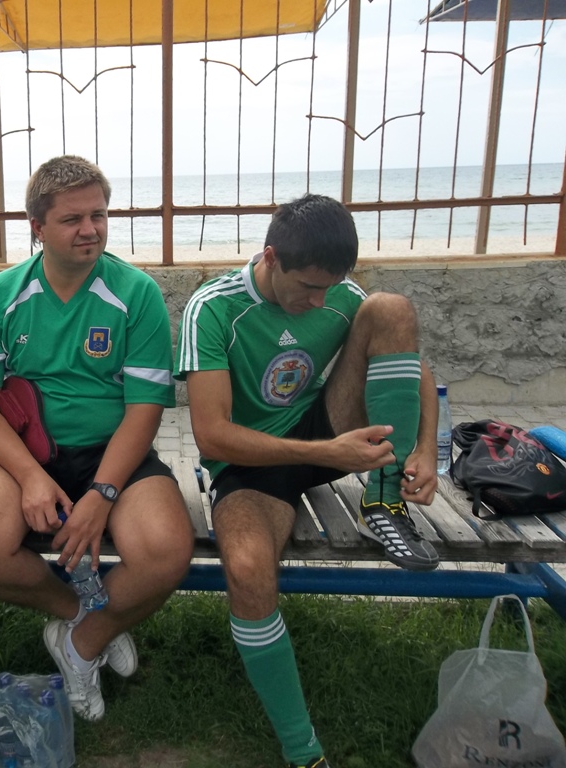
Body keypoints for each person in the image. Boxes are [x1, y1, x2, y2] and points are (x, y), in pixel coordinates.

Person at [174, 193, 439, 768]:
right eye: (308, 288)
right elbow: (212, 437)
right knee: (247, 570)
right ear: (271, 258)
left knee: (392, 309)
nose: (320, 301)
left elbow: (412, 364)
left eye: (330, 287)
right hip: (249, 465)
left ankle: (385, 500)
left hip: (326, 433)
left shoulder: (341, 296)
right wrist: (327, 452)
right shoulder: (212, 308)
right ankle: (304, 752)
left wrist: (425, 449)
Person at [0, 155, 194, 722]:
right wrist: (31, 477)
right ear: (37, 227)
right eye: (72, 219)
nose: (90, 230)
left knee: (165, 551)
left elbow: (145, 408)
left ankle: (83, 642)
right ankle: (84, 614)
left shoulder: (136, 293)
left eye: (99, 215)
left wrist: (102, 494)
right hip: (25, 453)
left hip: (114, 452)